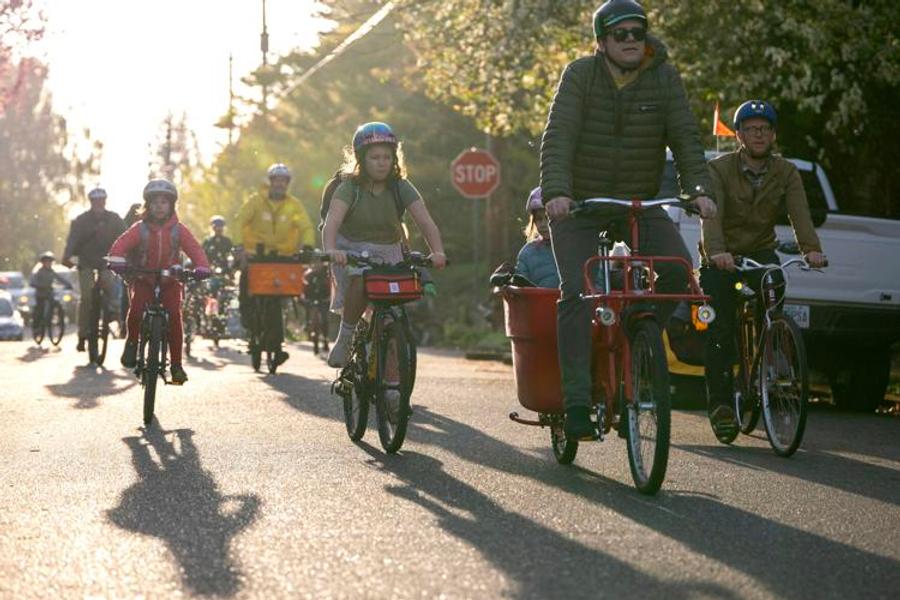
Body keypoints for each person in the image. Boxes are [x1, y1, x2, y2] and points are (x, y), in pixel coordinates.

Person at [540, 0, 717, 440]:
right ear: (602, 42)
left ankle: (638, 329)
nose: (632, 40)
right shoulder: (580, 75)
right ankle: (578, 402)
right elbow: (558, 137)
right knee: (576, 294)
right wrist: (558, 193)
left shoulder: (664, 78)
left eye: (638, 32)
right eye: (621, 34)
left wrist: (699, 190)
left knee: (679, 275)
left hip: (638, 200)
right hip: (581, 202)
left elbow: (686, 137)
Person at [700, 99, 826, 439]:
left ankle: (773, 351)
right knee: (720, 329)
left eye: (765, 129)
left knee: (775, 281)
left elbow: (800, 213)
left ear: (773, 135)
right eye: (752, 129)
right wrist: (717, 252)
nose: (759, 134)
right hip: (722, 257)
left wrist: (811, 250)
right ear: (739, 135)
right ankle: (722, 405)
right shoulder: (719, 169)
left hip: (759, 253)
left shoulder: (785, 171)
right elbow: (711, 216)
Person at [323, 121, 447, 370]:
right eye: (374, 157)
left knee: (392, 304)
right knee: (360, 280)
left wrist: (437, 251)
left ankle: (391, 376)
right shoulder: (349, 188)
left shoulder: (401, 187)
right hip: (350, 250)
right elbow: (331, 223)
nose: (381, 162)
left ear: (394, 159)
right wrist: (331, 250)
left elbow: (425, 222)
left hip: (389, 248)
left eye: (387, 157)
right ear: (361, 160)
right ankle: (346, 336)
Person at [107, 179, 210, 384]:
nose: (159, 206)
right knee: (135, 311)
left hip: (171, 281)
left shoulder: (179, 230)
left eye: (164, 202)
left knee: (174, 315)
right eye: (154, 202)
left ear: (171, 205)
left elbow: (195, 249)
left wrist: (202, 267)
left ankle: (177, 365)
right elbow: (120, 246)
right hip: (144, 278)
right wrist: (116, 261)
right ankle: (132, 342)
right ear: (147, 205)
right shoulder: (140, 228)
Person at [235, 163, 316, 368]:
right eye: (276, 180)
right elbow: (240, 221)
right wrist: (239, 246)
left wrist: (307, 246)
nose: (280, 184)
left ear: (287, 184)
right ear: (270, 182)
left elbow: (305, 226)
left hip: (283, 258)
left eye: (284, 180)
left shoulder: (293, 205)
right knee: (246, 288)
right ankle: (250, 326)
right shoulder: (256, 201)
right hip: (257, 255)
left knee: (280, 297)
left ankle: (277, 345)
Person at [62, 187, 126, 352]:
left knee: (109, 284)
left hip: (107, 262)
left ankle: (112, 313)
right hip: (87, 262)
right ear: (91, 202)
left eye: (101, 200)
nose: (99, 204)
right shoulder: (81, 220)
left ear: (105, 201)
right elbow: (72, 240)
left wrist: (129, 255)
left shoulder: (114, 219)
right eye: (95, 201)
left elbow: (126, 237)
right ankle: (83, 334)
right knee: (87, 297)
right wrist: (67, 257)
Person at [515, 187, 560, 288]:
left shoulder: (575, 247)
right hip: (540, 303)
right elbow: (521, 289)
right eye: (539, 219)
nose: (544, 224)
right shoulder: (527, 254)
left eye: (548, 218)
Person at [29, 251, 72, 329]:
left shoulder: (52, 272)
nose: (48, 263)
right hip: (40, 294)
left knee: (56, 304)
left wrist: (68, 284)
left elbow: (60, 279)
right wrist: (37, 285)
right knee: (39, 309)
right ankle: (36, 326)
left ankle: (57, 319)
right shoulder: (39, 272)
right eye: (46, 262)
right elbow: (33, 281)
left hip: (49, 293)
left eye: (50, 262)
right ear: (43, 263)